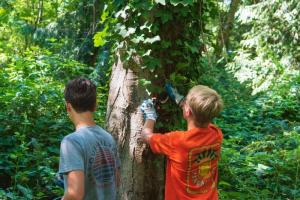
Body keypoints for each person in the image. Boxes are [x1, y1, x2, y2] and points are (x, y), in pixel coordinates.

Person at [140, 84, 223, 200]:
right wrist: (181, 101)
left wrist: (150, 116)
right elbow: (202, 116)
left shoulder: (176, 141)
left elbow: (146, 136)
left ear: (187, 111)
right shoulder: (216, 134)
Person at [59, 78, 120, 200]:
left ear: (68, 107)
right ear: (95, 105)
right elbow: (116, 181)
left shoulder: (72, 142)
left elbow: (75, 194)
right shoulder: (108, 138)